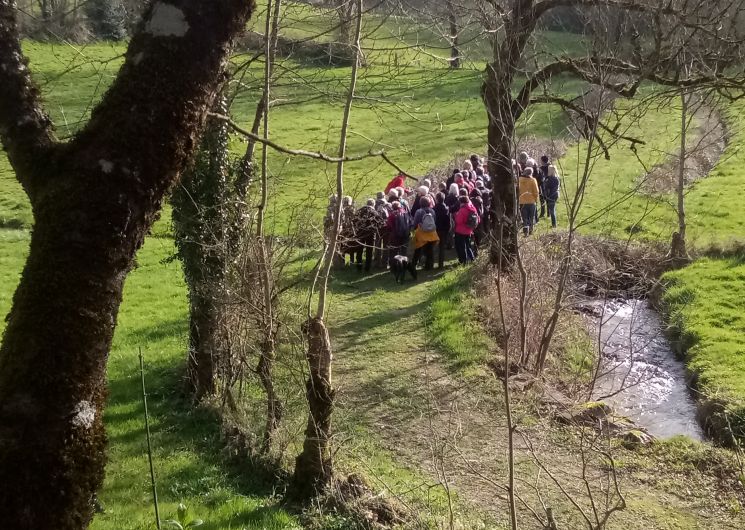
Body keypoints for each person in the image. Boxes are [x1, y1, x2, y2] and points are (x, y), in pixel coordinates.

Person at [410, 197, 439, 277]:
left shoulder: (418, 212)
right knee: (430, 250)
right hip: (432, 233)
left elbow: (415, 223)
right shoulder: (432, 211)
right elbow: (434, 220)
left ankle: (413, 265)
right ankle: (429, 266)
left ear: (420, 203)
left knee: (418, 250)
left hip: (421, 234)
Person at [354, 199, 381, 272]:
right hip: (370, 234)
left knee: (359, 250)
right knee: (369, 251)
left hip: (360, 233)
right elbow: (379, 223)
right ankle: (367, 268)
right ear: (373, 204)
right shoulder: (374, 212)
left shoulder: (359, 211)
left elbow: (354, 221)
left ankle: (359, 266)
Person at [453, 195, 479, 264]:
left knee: (462, 247)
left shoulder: (462, 210)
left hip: (460, 231)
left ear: (462, 202)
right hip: (469, 230)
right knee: (468, 246)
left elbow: (458, 221)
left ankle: (463, 261)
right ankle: (472, 258)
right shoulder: (472, 208)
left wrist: (456, 215)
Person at [386, 201, 411, 268]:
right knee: (403, 251)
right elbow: (410, 222)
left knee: (393, 251)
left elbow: (389, 226)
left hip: (395, 235)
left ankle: (393, 266)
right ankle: (404, 264)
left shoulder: (392, 215)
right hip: (405, 235)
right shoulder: (405, 212)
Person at [518, 168, 540, 236]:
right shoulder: (533, 180)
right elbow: (536, 191)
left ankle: (525, 232)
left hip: (522, 201)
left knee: (524, 218)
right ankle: (531, 230)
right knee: (531, 217)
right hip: (531, 201)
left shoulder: (519, 180)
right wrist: (536, 200)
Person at [434, 192, 451, 268]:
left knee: (433, 246)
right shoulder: (446, 208)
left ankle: (430, 263)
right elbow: (448, 221)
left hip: (435, 229)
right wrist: (447, 230)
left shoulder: (434, 208)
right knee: (441, 247)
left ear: (437, 199)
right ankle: (441, 264)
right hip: (444, 230)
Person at [544, 164, 561, 229]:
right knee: (552, 209)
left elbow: (547, 187)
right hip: (555, 194)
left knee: (552, 210)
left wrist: (547, 196)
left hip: (551, 195)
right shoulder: (557, 178)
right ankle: (554, 224)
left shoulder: (550, 179)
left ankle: (554, 224)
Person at [537, 155, 550, 219]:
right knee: (542, 199)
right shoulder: (541, 168)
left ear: (542, 161)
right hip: (542, 186)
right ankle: (543, 213)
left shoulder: (549, 167)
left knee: (547, 199)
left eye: (541, 160)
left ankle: (548, 213)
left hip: (547, 186)